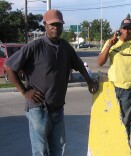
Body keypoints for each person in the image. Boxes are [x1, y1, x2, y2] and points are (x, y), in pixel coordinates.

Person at [4, 9, 99, 156]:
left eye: (59, 25)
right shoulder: (35, 46)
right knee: (41, 151)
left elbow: (79, 64)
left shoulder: (65, 47)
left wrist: (89, 80)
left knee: (59, 148)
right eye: (52, 25)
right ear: (45, 26)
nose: (56, 28)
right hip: (38, 109)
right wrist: (24, 91)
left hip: (57, 108)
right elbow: (9, 66)